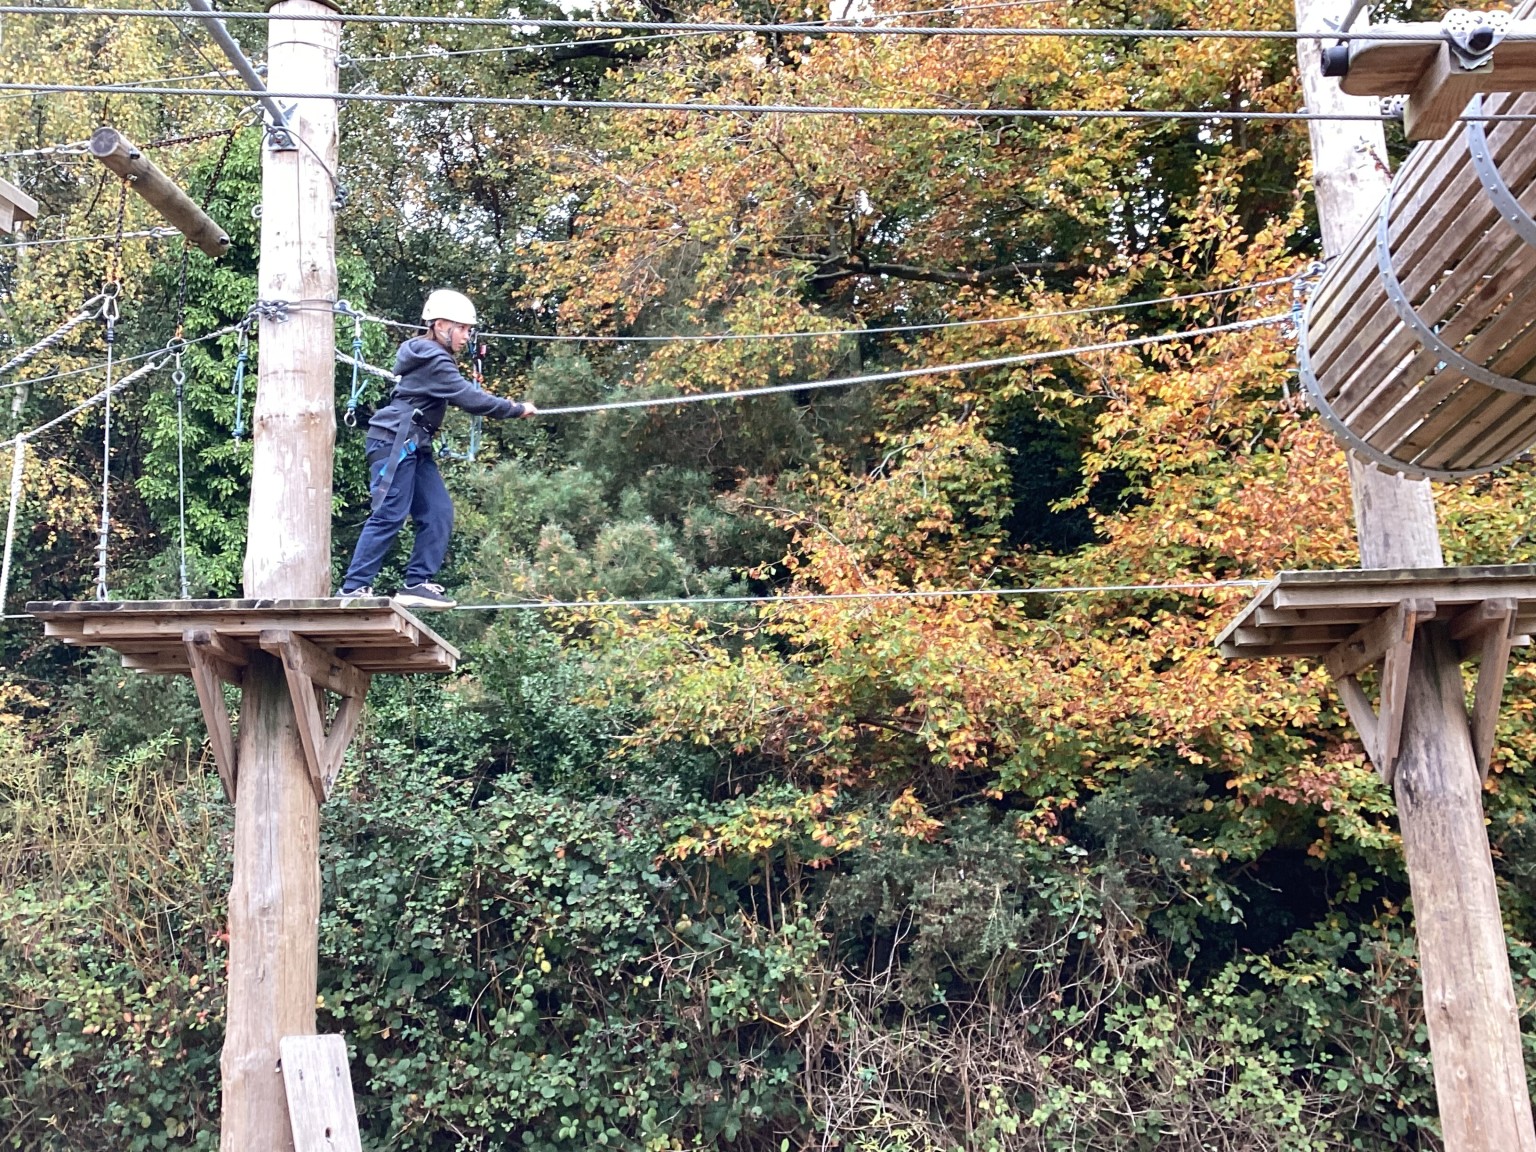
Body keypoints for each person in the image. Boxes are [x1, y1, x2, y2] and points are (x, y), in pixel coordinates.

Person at [337, 289, 537, 609]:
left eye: (469, 330)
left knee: (438, 511)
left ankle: (416, 584)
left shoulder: (431, 356)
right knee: (390, 512)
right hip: (394, 440)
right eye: (463, 329)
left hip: (414, 443)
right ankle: (353, 588)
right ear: (442, 325)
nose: (467, 337)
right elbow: (467, 397)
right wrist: (515, 408)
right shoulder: (433, 357)